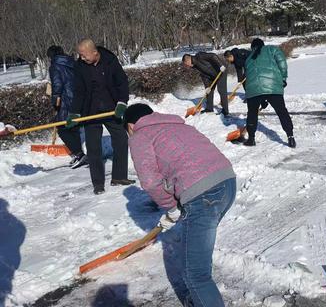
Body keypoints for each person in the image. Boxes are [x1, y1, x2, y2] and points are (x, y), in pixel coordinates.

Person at [124, 103, 236, 307]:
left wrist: (171, 207)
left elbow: (149, 181)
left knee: (195, 274)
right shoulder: (180, 125)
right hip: (227, 182)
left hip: (202, 196)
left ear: (130, 126)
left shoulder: (140, 136)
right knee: (198, 257)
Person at [66, 39, 135, 195]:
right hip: (90, 111)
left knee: (121, 139)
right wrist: (74, 112)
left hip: (111, 108)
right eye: (80, 55)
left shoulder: (110, 61)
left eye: (84, 55)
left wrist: (122, 102)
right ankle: (98, 184)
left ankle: (119, 177)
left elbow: (122, 82)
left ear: (95, 52)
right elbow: (79, 91)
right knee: (93, 148)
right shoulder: (80, 66)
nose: (81, 58)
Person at [243, 38, 295, 147]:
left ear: (252, 47)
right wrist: (283, 79)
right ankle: (290, 137)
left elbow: (248, 77)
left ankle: (251, 139)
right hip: (273, 86)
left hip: (253, 90)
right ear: (263, 44)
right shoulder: (272, 49)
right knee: (282, 111)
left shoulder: (248, 58)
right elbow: (282, 63)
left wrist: (260, 99)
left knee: (252, 113)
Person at [47, 45, 88, 169]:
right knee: (72, 126)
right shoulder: (72, 62)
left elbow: (57, 84)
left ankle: (79, 154)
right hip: (77, 98)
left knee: (62, 128)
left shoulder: (54, 66)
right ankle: (78, 155)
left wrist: (55, 99)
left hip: (65, 100)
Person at [182, 52, 229, 116]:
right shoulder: (195, 66)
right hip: (212, 75)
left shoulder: (199, 56)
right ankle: (209, 109)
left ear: (188, 60)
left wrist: (220, 65)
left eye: (186, 64)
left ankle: (225, 111)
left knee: (221, 90)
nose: (187, 66)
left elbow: (213, 56)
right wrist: (207, 86)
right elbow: (203, 76)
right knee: (209, 91)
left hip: (221, 71)